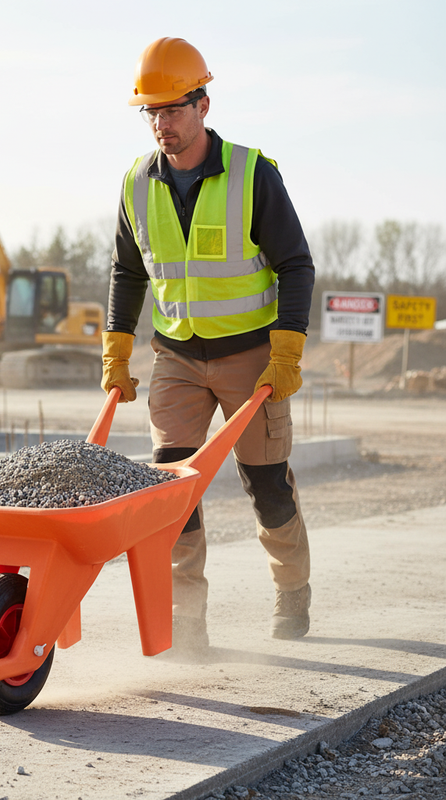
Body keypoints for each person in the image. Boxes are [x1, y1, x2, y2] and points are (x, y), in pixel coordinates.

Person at [101, 37, 315, 652]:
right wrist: (117, 353)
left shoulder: (254, 174)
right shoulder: (137, 183)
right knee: (172, 490)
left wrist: (287, 350)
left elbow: (295, 265)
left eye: (174, 109)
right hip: (176, 357)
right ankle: (187, 621)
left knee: (267, 485)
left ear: (203, 104)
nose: (162, 124)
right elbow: (127, 271)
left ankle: (292, 591)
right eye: (153, 112)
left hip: (252, 356)